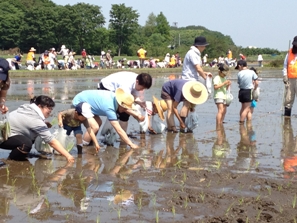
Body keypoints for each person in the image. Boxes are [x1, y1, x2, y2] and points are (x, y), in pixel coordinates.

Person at [0, 95, 75, 162]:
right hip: (2, 138)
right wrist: (68, 155)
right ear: (39, 106)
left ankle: (21, 154)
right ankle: (11, 160)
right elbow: (51, 141)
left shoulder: (27, 108)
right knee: (26, 144)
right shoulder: (35, 120)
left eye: (51, 108)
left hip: (6, 134)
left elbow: (26, 122)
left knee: (31, 136)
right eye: (48, 108)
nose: (50, 110)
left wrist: (44, 124)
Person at [72, 88, 139, 149]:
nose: (125, 110)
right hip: (80, 103)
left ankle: (90, 142)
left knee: (99, 122)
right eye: (125, 108)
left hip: (87, 101)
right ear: (120, 104)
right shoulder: (110, 108)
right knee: (95, 127)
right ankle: (83, 146)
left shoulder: (115, 98)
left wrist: (137, 115)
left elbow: (124, 109)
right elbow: (119, 130)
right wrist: (130, 144)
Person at [283, 36, 297, 117]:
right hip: (290, 79)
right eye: (295, 44)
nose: (296, 46)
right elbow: (285, 65)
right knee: (288, 98)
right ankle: (287, 118)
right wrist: (285, 76)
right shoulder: (289, 53)